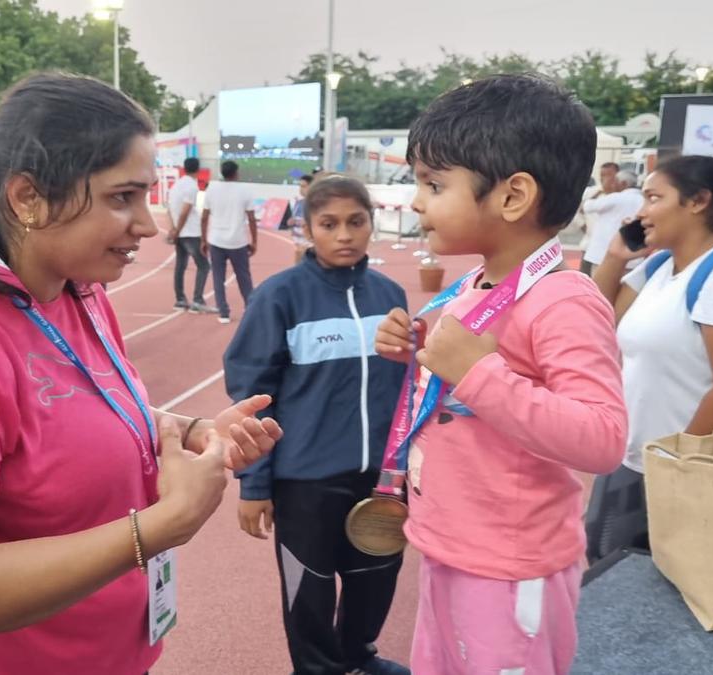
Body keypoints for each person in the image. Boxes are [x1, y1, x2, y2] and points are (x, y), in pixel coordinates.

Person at [0, 73, 283, 675]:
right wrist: (165, 524)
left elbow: (69, 411)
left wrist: (186, 429)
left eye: (147, 195)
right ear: (27, 198)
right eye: (121, 198)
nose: (148, 225)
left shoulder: (75, 288)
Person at [374, 74, 627, 675]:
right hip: (447, 542)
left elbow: (603, 436)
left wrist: (477, 371)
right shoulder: (474, 285)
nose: (416, 202)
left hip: (512, 564)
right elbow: (460, 377)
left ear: (512, 196)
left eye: (434, 184)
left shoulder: (564, 298)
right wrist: (416, 350)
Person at [226, 175, 410, 675]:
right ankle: (316, 669)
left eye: (356, 221)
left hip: (381, 479)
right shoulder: (279, 297)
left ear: (373, 223)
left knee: (375, 577)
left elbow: (404, 390)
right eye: (329, 224)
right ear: (307, 229)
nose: (345, 234)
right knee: (309, 589)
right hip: (305, 478)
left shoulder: (390, 294)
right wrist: (254, 484)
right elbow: (252, 399)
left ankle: (357, 657)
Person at [589, 154, 713, 560]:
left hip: (700, 463)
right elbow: (598, 322)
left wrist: (675, 467)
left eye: (653, 198)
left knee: (678, 586)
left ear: (697, 201)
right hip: (640, 449)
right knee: (607, 559)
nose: (642, 212)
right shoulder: (663, 264)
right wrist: (614, 257)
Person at [200, 160, 257, 324]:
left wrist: (203, 239)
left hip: (216, 240)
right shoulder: (245, 190)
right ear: (236, 172)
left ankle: (223, 312)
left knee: (218, 277)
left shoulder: (212, 189)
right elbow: (252, 219)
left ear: (222, 172)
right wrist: (254, 241)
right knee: (244, 277)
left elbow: (204, 217)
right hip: (238, 241)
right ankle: (250, 309)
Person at [167, 156, 212, 312]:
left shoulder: (175, 186)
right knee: (204, 266)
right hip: (191, 232)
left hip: (180, 232)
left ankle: (180, 300)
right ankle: (197, 300)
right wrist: (177, 230)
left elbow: (169, 209)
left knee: (180, 266)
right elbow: (185, 211)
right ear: (198, 169)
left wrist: (173, 229)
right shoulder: (192, 187)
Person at [581, 170, 644, 274]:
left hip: (603, 257)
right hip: (634, 259)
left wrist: (601, 191)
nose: (612, 185)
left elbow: (585, 207)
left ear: (623, 183)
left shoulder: (614, 197)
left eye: (615, 182)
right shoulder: (643, 200)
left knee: (599, 289)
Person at [289, 173, 313, 254]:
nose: (300, 189)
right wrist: (291, 222)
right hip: (298, 241)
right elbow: (294, 219)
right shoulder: (299, 202)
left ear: (311, 187)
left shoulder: (316, 203)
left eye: (303, 186)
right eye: (300, 186)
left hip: (309, 243)